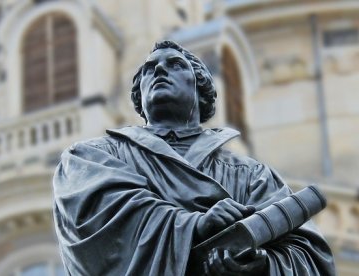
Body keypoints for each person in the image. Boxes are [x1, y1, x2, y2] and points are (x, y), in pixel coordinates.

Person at [52, 40, 335, 275]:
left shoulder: (251, 174)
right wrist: (194, 225)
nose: (159, 70)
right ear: (140, 96)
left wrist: (263, 266)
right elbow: (98, 216)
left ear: (201, 88)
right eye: (150, 69)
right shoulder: (90, 157)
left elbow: (311, 259)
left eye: (175, 65)